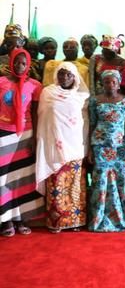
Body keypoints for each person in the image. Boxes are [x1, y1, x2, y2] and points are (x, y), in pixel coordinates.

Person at [36, 62, 89, 233]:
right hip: (54, 145)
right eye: (61, 74)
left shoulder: (81, 96)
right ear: (56, 75)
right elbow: (43, 118)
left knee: (75, 185)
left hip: (75, 146)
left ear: (75, 77)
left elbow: (85, 123)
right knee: (57, 184)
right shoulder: (48, 93)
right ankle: (57, 222)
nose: (65, 77)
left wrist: (85, 145)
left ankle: (75, 221)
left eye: (69, 74)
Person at [0, 48, 44, 237]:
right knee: (3, 180)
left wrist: (34, 138)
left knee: (22, 179)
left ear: (28, 65)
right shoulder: (1, 82)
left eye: (23, 63)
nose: (19, 66)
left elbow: (35, 113)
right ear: (11, 62)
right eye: (16, 62)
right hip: (3, 135)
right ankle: (6, 220)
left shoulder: (35, 85)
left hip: (25, 136)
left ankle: (21, 218)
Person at [87, 70, 125, 232]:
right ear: (102, 83)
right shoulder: (95, 101)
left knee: (122, 181)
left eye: (113, 82)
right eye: (107, 82)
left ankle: (123, 216)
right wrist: (89, 148)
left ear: (118, 83)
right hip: (100, 146)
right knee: (101, 181)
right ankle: (99, 217)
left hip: (121, 147)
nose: (110, 85)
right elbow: (91, 125)